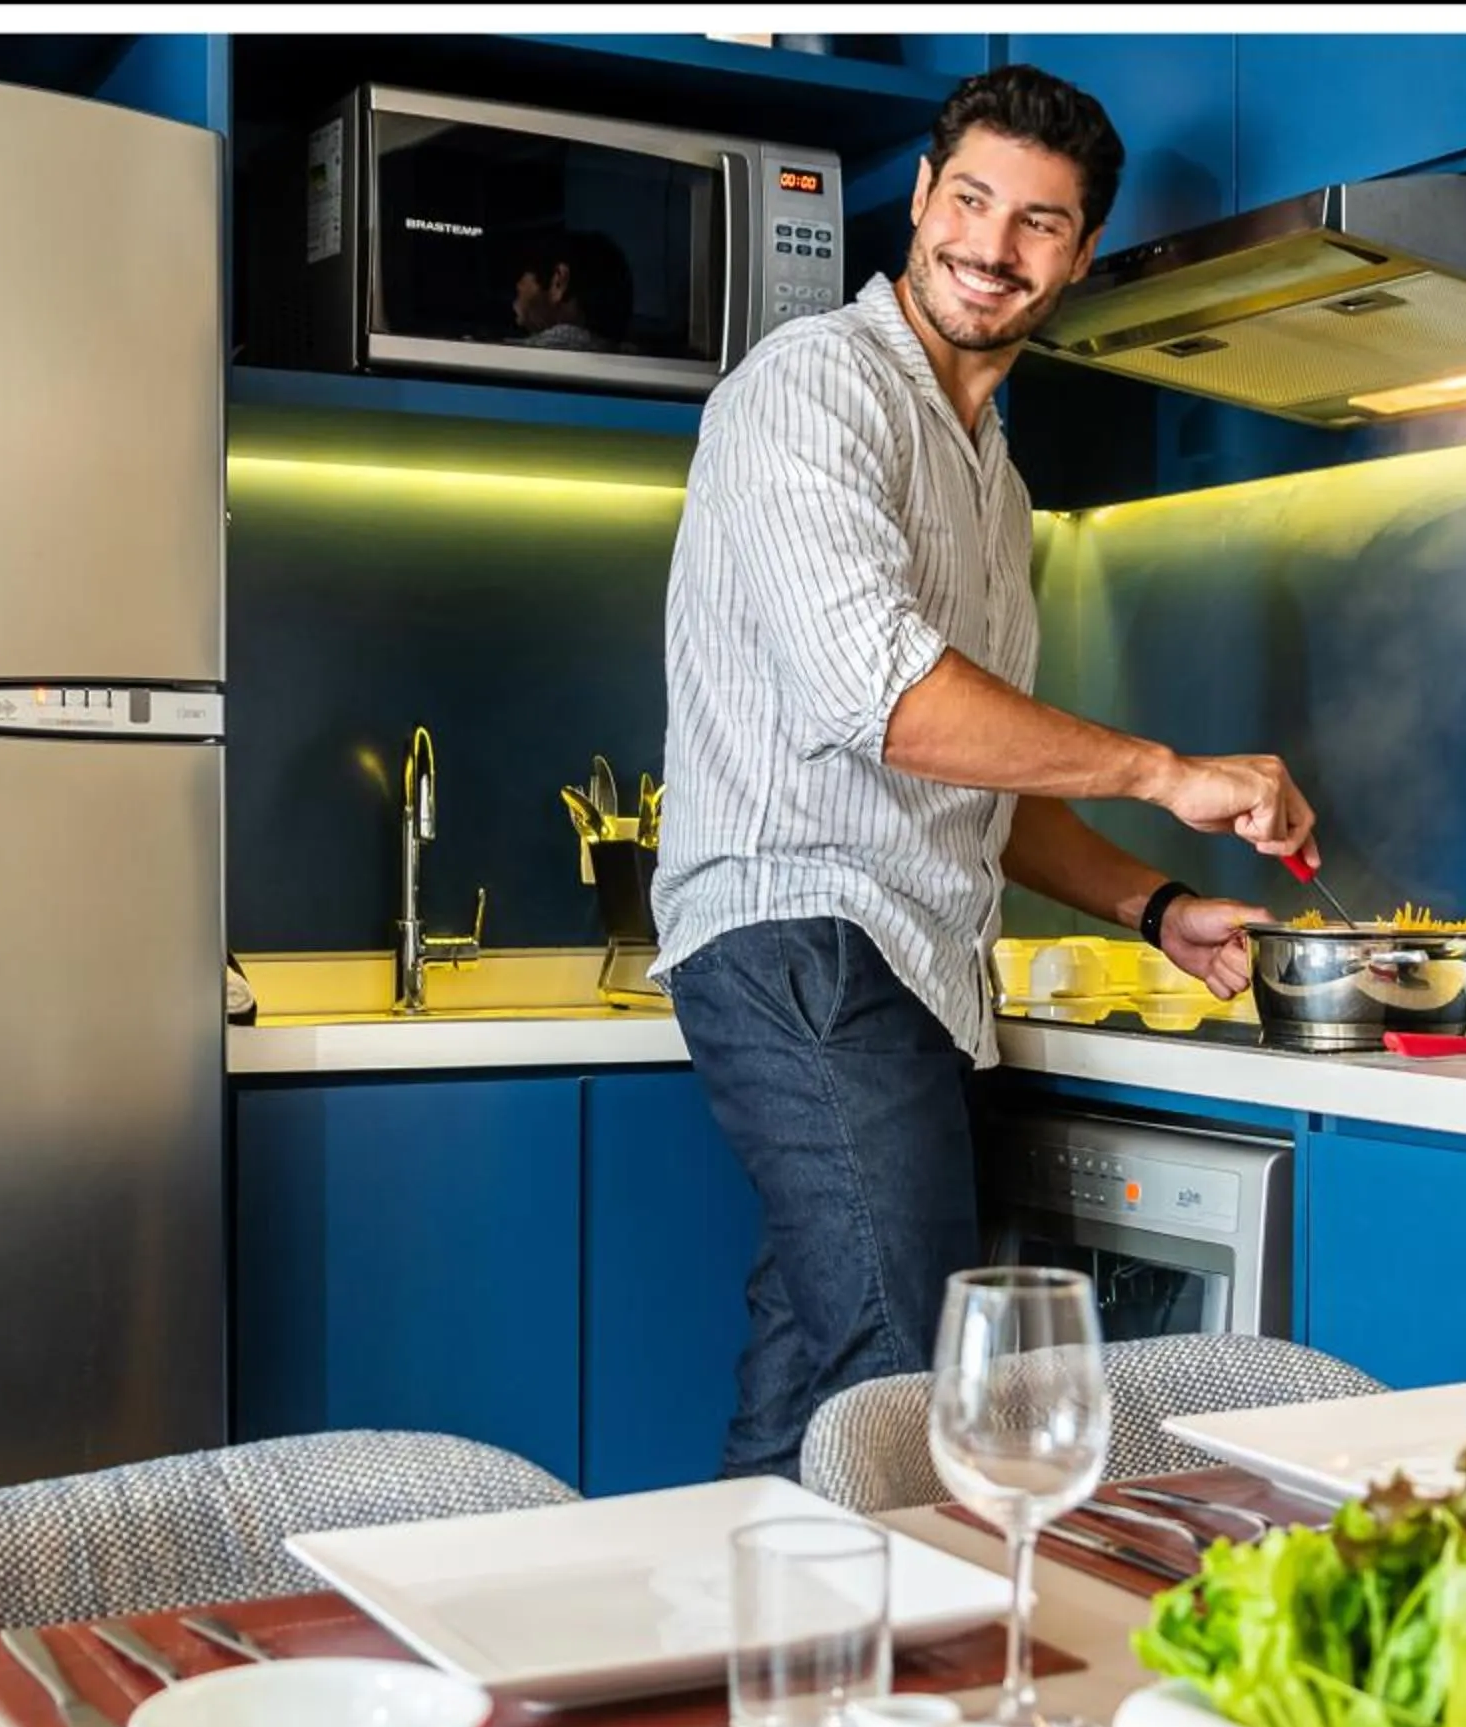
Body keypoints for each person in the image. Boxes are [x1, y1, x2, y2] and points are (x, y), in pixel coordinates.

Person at [651, 65, 1319, 1481]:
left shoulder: (995, 479)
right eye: (971, 198)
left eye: (1039, 223)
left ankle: (754, 1670)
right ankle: (870, 1680)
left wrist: (1152, 905)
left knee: (824, 1374)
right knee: (896, 1382)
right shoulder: (812, 390)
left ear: (1076, 258)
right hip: (801, 938)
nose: (991, 245)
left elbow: (982, 788)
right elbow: (885, 701)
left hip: (899, 961)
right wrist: (1163, 768)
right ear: (921, 197)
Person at [509, 230, 634, 352]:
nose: (518, 285)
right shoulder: (624, 359)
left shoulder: (519, 359)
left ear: (559, 282)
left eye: (523, 273)